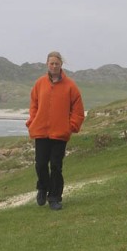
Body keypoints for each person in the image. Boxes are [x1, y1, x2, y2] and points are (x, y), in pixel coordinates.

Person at [26, 51, 85, 210]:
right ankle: (42, 187)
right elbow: (34, 104)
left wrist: (71, 126)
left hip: (60, 134)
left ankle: (54, 197)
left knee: (56, 166)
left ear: (61, 65)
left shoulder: (70, 86)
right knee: (40, 164)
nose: (54, 66)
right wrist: (32, 121)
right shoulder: (39, 83)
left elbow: (78, 110)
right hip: (41, 131)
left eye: (56, 63)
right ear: (47, 64)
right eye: (51, 63)